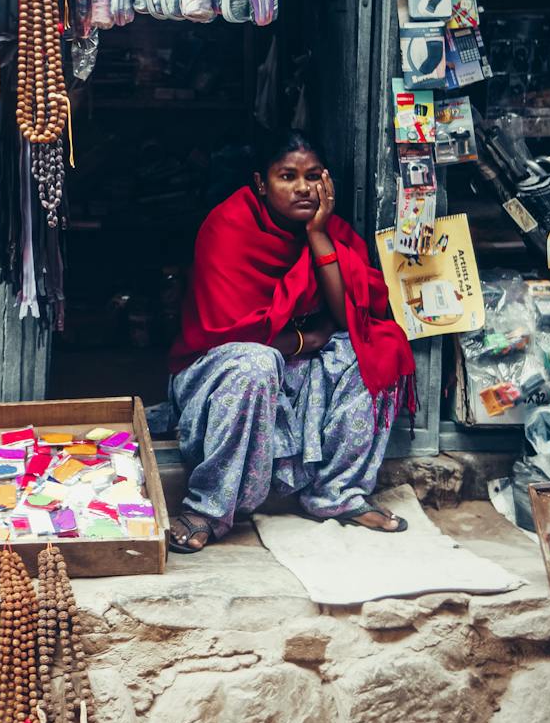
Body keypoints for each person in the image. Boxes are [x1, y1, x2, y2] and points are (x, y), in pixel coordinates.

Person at [165, 133, 415, 553]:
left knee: (378, 348)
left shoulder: (331, 229)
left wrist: (317, 234)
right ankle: (208, 508)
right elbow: (228, 331)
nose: (303, 188)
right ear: (261, 184)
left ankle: (336, 493)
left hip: (295, 361)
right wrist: (304, 339)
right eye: (287, 176)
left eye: (313, 176)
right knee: (256, 364)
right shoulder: (228, 226)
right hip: (220, 367)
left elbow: (347, 316)